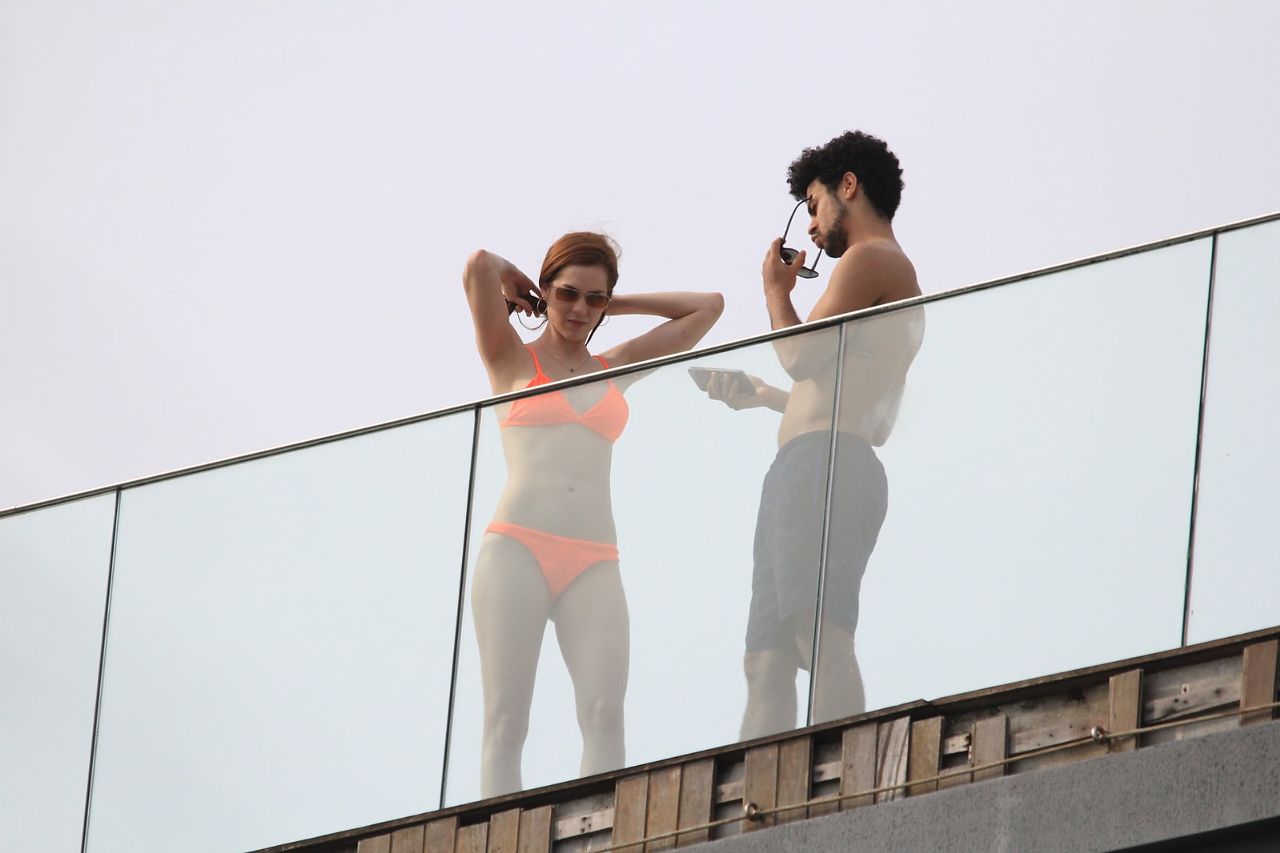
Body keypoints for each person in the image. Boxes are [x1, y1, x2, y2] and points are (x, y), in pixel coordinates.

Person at [462, 232, 723, 797]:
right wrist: (522, 287)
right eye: (568, 294)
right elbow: (480, 265)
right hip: (516, 548)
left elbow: (709, 307)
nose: (580, 309)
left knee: (605, 715)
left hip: (594, 559)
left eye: (594, 299)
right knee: (507, 722)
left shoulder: (613, 365)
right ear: (546, 291)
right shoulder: (510, 357)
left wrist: (613, 305)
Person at [704, 131, 924, 737]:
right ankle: (763, 810)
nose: (810, 227)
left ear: (847, 187)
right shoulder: (883, 273)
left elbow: (800, 357)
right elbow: (860, 415)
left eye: (813, 203)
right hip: (814, 462)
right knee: (766, 660)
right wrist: (766, 399)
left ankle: (843, 790)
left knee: (817, 633)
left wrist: (775, 294)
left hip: (823, 467)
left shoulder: (873, 259)